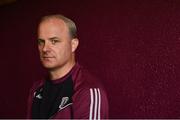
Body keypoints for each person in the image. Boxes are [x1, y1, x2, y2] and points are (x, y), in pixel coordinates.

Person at [26, 14, 109, 119]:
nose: (45, 49)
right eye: (41, 42)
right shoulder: (36, 89)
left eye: (54, 41)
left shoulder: (87, 91)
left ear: (73, 45)